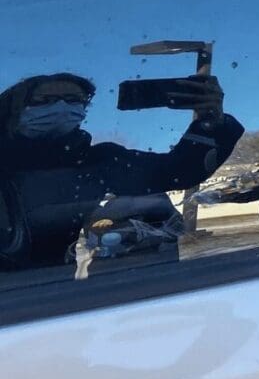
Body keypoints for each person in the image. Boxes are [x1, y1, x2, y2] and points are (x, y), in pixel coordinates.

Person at [0, 72, 242, 269]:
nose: (62, 107)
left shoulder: (104, 160)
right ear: (14, 109)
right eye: (45, 100)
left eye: (74, 100)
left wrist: (213, 123)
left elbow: (179, 171)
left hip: (64, 290)